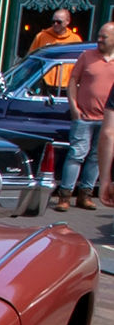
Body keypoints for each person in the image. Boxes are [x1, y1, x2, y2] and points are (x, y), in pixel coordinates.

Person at [62, 22, 114, 209]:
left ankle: (86, 195)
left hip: (106, 119)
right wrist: (74, 108)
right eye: (99, 35)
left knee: (96, 157)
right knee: (77, 154)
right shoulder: (87, 56)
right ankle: (65, 196)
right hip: (83, 116)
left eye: (104, 37)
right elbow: (72, 81)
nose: (99, 39)